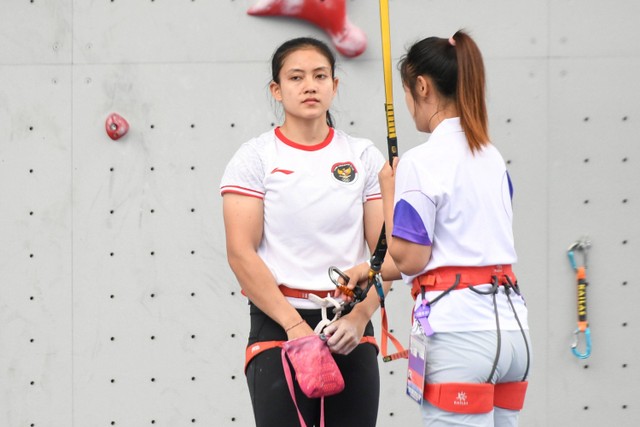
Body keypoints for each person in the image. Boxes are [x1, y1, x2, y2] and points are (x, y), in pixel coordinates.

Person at [220, 37, 391, 427]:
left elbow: (386, 256)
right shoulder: (256, 157)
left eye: (320, 76)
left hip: (349, 321)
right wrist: (295, 326)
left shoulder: (363, 156)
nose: (309, 85)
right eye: (296, 77)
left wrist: (359, 317)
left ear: (335, 85)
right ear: (276, 90)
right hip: (278, 322)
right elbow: (240, 254)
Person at [377, 30, 532, 426]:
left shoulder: (421, 161)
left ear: (422, 86)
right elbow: (458, 247)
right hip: (512, 333)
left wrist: (389, 196)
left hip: (459, 333)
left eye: (408, 93)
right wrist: (370, 271)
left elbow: (411, 258)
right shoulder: (491, 156)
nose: (409, 104)